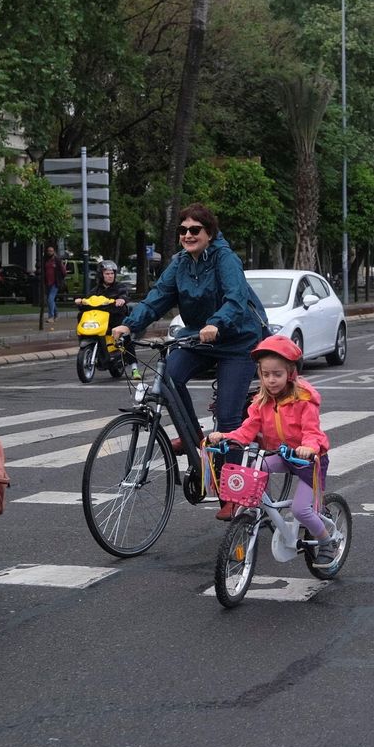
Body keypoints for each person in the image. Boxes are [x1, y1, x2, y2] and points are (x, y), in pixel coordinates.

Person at [113, 204, 267, 520]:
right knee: (168, 372)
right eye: (183, 230)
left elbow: (236, 300)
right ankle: (191, 434)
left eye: (194, 230)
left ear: (209, 233)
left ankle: (232, 492)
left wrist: (217, 323)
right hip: (200, 338)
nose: (187, 235)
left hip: (237, 340)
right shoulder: (181, 263)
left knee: (227, 420)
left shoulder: (226, 259)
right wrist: (130, 324)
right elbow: (158, 298)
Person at [207, 335, 338, 567]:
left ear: (291, 373)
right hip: (282, 454)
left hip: (309, 460)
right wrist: (227, 436)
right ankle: (261, 511)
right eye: (265, 375)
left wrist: (308, 448)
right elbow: (247, 430)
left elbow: (311, 431)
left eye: (277, 374)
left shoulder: (304, 400)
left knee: (300, 510)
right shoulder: (261, 401)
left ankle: (327, 541)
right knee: (256, 469)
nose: (271, 380)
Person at [76, 261, 138, 378]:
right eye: (107, 274)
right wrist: (81, 301)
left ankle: (135, 368)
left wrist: (122, 300)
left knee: (125, 335)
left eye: (112, 273)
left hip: (116, 317)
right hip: (101, 320)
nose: (110, 276)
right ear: (101, 275)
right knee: (81, 315)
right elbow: (88, 300)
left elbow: (124, 295)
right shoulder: (96, 290)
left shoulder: (119, 287)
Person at [42, 246, 66, 329]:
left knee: (50, 299)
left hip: (55, 283)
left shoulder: (57, 260)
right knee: (50, 299)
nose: (50, 252)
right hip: (48, 282)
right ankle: (56, 315)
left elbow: (63, 271)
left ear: (54, 251)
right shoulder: (45, 260)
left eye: (51, 251)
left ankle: (51, 317)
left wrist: (60, 279)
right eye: (48, 251)